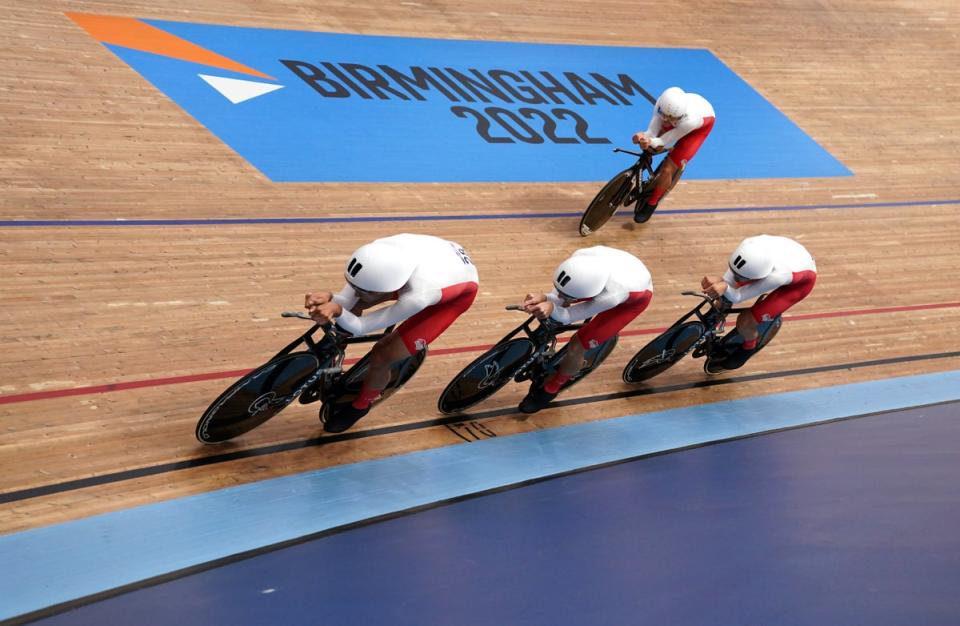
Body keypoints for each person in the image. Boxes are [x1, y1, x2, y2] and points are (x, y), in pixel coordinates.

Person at [305, 233, 479, 431]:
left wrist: (336, 309)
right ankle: (331, 356)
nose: (356, 291)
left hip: (454, 292)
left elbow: (361, 327)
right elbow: (348, 298)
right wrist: (332, 297)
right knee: (355, 303)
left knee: (383, 354)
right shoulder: (377, 253)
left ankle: (361, 406)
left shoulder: (418, 296)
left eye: (363, 289)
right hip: (434, 260)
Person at [518, 246, 653, 414]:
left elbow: (568, 316)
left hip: (632, 298)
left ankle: (552, 388)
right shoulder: (580, 258)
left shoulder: (613, 295)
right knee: (557, 306)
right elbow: (562, 296)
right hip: (615, 272)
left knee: (577, 346)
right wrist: (545, 297)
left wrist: (552, 306)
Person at [700, 235, 817, 371]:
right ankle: (715, 316)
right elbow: (733, 277)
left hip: (799, 283)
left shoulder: (779, 275)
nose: (738, 278)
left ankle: (749, 347)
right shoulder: (748, 245)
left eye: (743, 277)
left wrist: (725, 286)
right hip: (786, 256)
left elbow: (738, 296)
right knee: (725, 293)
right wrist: (723, 282)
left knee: (745, 321)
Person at [630, 86, 715, 223]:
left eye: (671, 118)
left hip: (699, 127)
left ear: (678, 115)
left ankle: (652, 203)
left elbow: (666, 141)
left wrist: (652, 141)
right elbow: (651, 132)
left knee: (668, 168)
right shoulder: (661, 105)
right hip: (681, 117)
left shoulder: (690, 120)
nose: (667, 120)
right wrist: (643, 136)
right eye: (664, 116)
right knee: (651, 143)